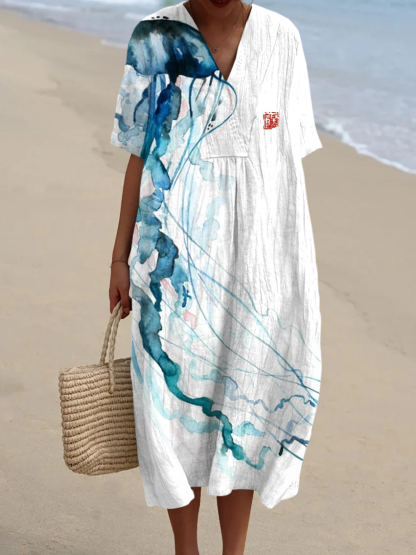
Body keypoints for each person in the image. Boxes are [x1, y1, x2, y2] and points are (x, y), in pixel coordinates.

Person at [109, 0, 322, 553]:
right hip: (170, 267)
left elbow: (285, 166)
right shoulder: (155, 37)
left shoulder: (281, 38)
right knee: (172, 405)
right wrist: (118, 257)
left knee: (243, 403)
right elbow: (139, 153)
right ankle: (186, 550)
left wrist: (288, 273)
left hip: (257, 264)